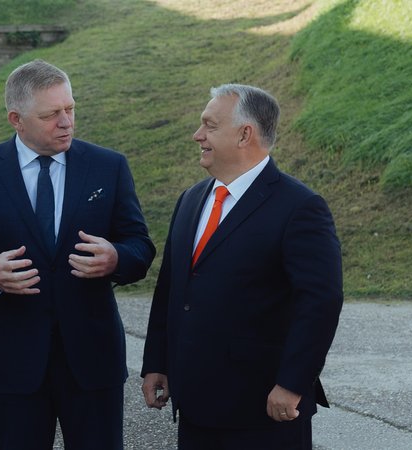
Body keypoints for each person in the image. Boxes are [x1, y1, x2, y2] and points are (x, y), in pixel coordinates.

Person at [0, 59, 155, 449]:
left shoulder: (108, 166)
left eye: (70, 109)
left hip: (93, 359)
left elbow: (140, 245)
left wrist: (116, 257)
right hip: (16, 361)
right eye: (50, 115)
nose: (66, 122)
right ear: (16, 119)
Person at [141, 84, 343, 448]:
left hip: (264, 410)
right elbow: (170, 287)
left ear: (244, 134)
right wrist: (158, 361)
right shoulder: (191, 199)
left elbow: (320, 303)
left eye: (210, 125)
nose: (197, 135)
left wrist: (292, 384)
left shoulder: (299, 207)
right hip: (196, 406)